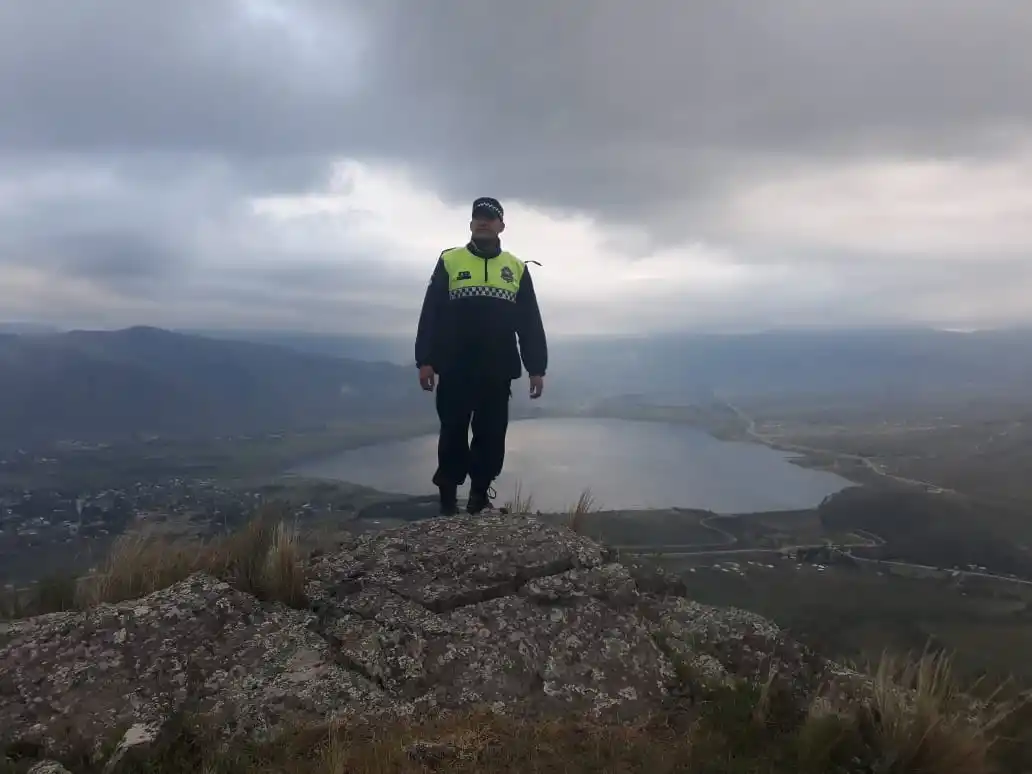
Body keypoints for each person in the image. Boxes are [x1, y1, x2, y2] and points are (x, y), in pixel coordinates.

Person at [414, 196, 548, 515]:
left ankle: (478, 497)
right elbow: (431, 312)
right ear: (471, 223)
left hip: (497, 370)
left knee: (491, 435)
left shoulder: (515, 267)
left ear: (502, 225)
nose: (483, 221)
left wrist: (536, 367)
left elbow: (529, 319)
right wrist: (425, 360)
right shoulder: (450, 261)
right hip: (455, 367)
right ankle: (447, 498)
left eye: (490, 217)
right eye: (478, 216)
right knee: (452, 433)